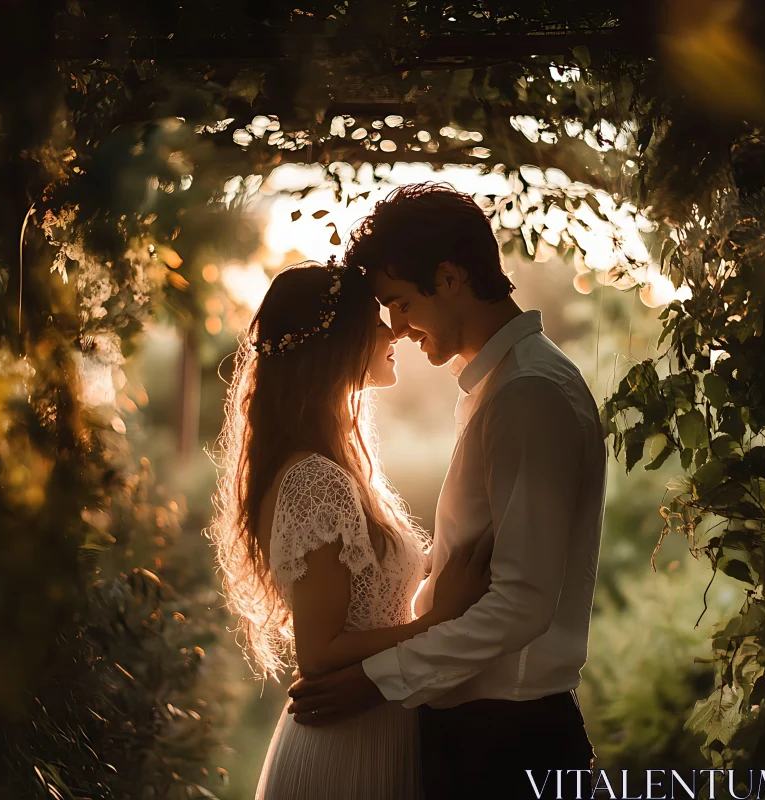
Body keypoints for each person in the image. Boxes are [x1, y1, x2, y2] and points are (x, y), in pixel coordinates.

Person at [288, 184, 607, 800]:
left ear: (451, 276)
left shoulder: (528, 396)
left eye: (401, 304)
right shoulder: (498, 390)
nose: (398, 329)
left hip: (506, 740)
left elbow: (522, 603)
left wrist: (375, 679)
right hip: (482, 730)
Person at [210, 258, 492, 800]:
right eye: (374, 320)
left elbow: (367, 596)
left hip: (372, 730)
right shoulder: (315, 479)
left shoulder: (334, 466)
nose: (393, 331)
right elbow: (319, 651)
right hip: (346, 750)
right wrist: (440, 618)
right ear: (335, 341)